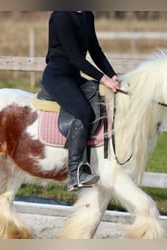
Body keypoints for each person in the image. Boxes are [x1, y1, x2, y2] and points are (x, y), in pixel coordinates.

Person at [41, 11, 120, 192]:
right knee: (84, 112)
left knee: (101, 100)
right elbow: (76, 58)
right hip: (57, 76)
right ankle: (75, 173)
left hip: (74, 76)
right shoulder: (61, 15)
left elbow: (95, 50)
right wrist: (104, 79)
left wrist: (113, 75)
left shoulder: (87, 15)